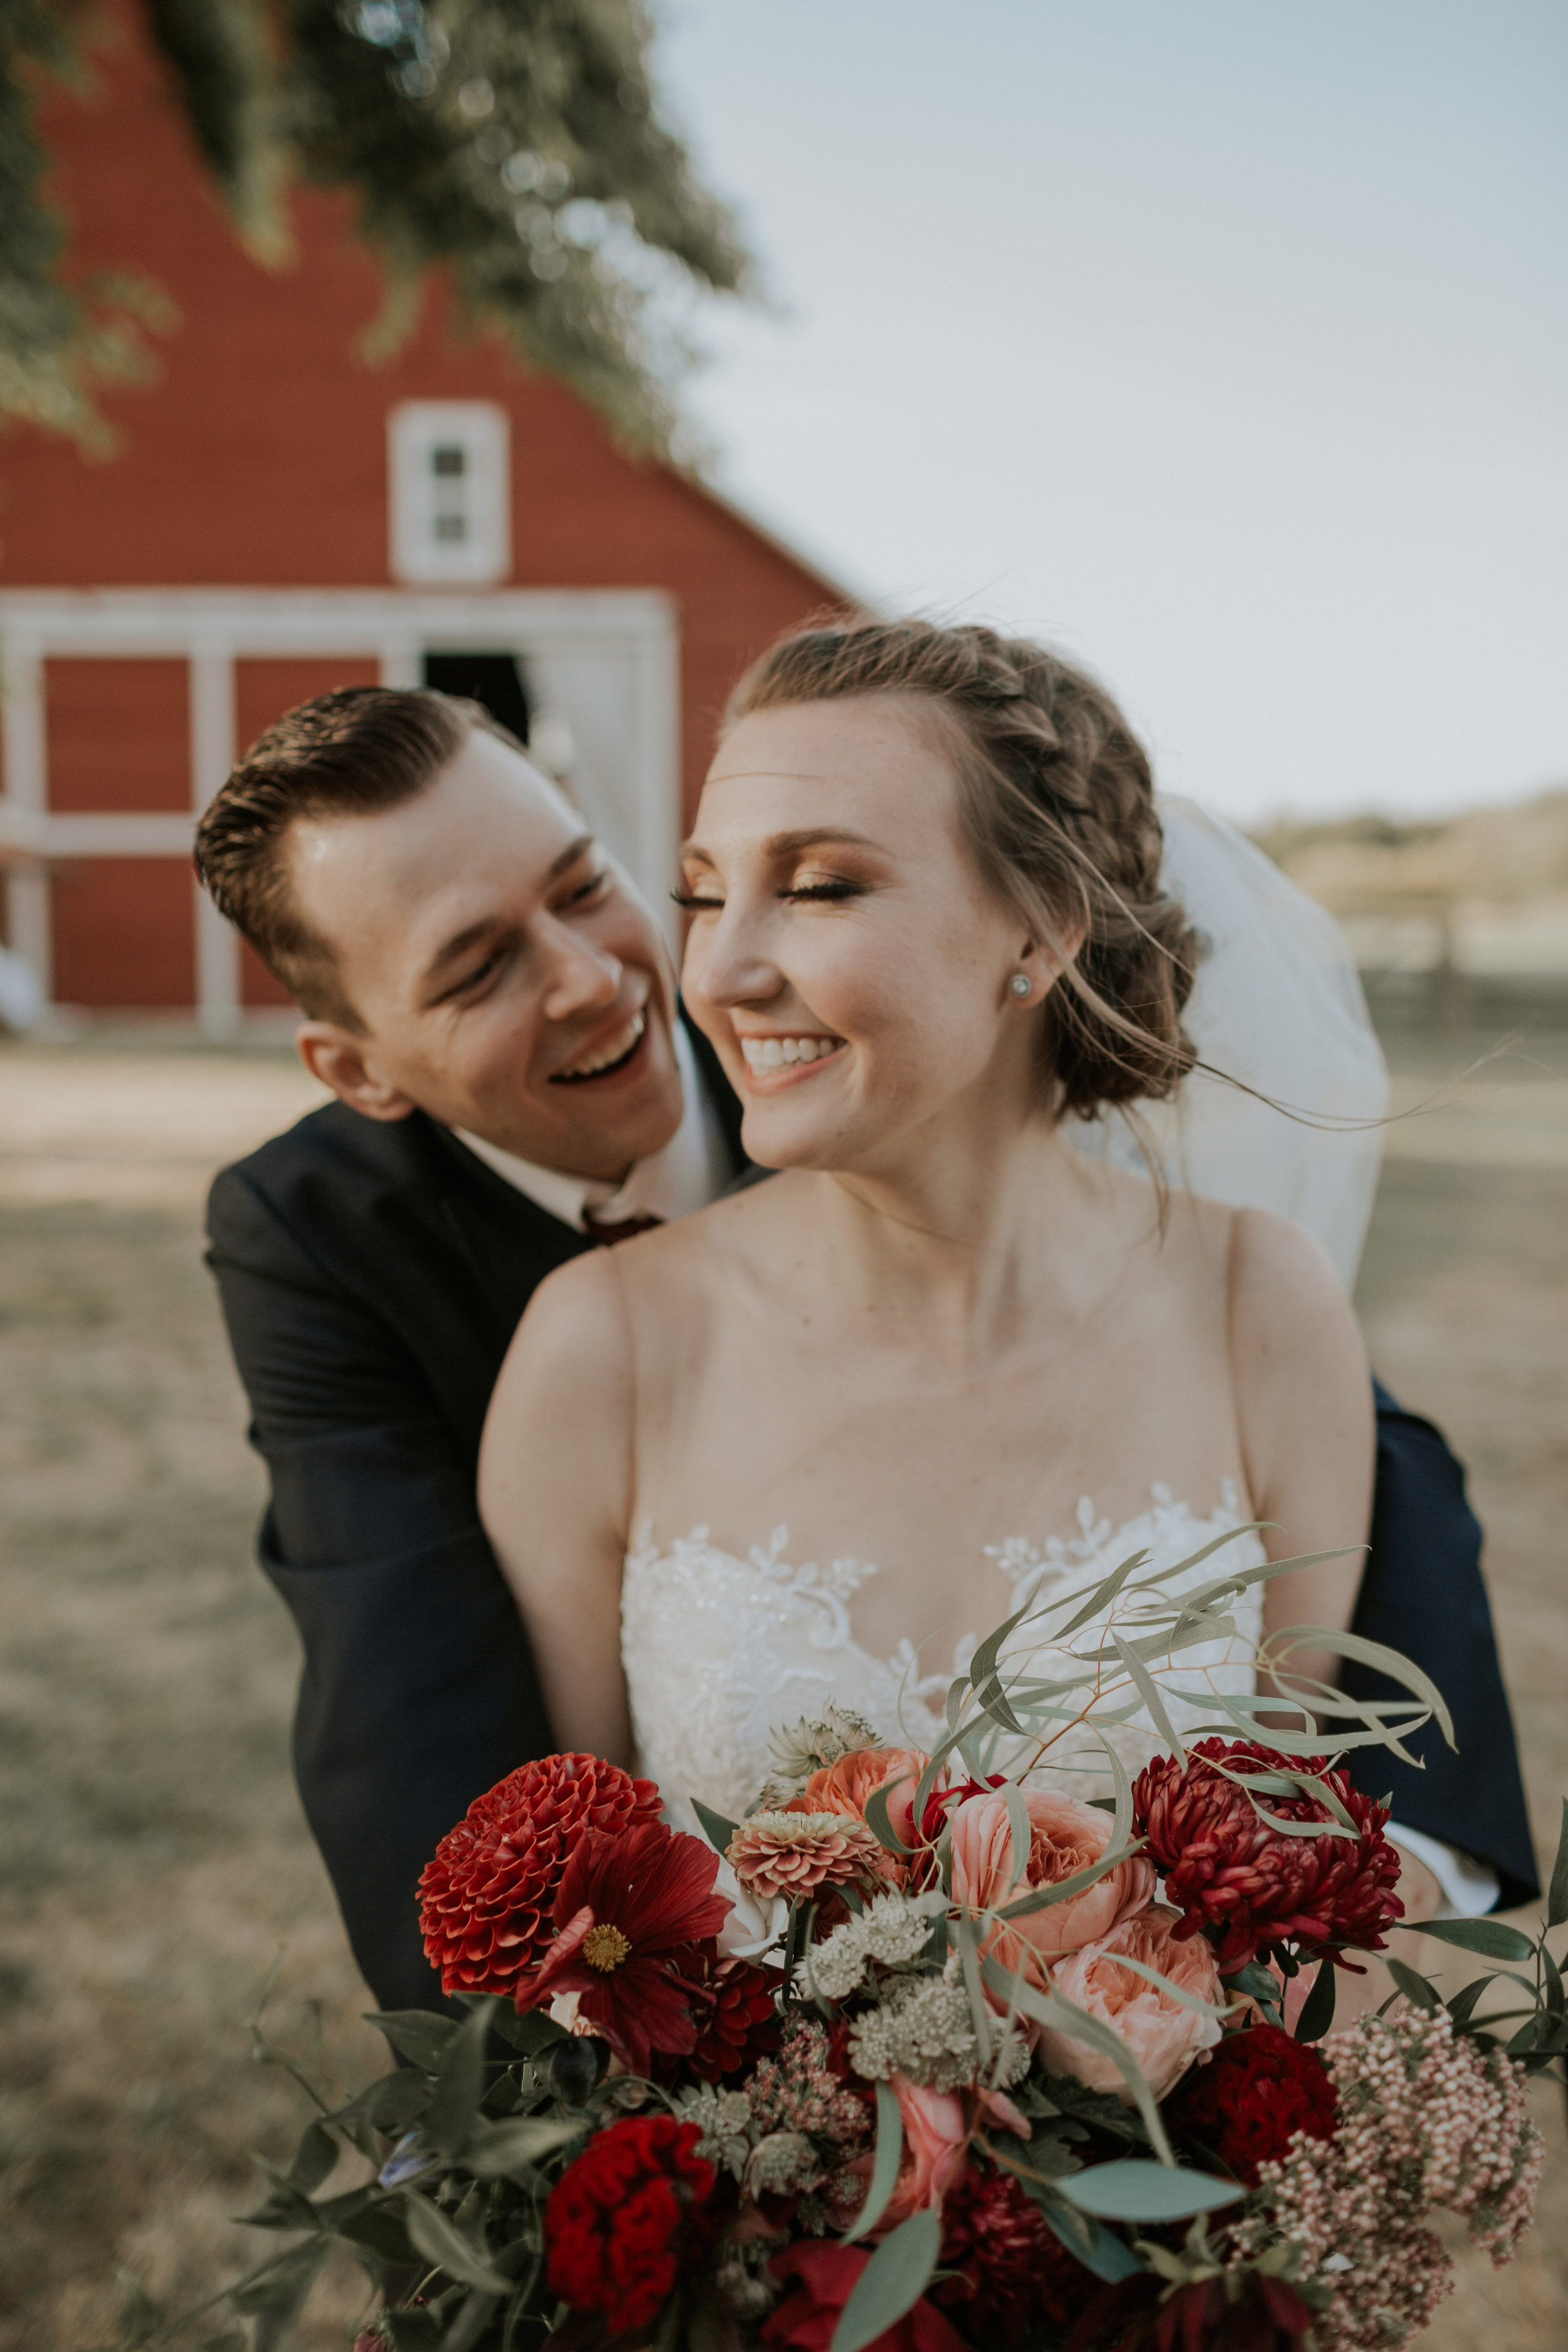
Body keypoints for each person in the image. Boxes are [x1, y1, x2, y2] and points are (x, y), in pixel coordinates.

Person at [194, 676, 1534, 2017]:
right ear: (358, 1068)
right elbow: (400, 1676)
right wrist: (512, 2129)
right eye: (478, 967)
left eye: (593, 883)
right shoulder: (336, 1240)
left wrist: (1409, 1856)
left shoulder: (861, 1037)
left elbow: (1338, 1446)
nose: (627, 981)